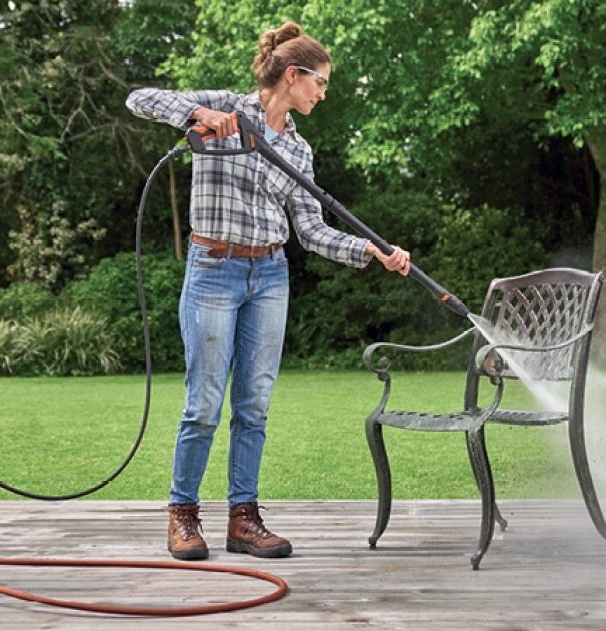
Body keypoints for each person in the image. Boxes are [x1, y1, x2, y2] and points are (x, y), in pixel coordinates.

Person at [126, 21, 411, 561]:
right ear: (293, 74)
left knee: (253, 404)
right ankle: (183, 515)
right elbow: (138, 98)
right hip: (213, 269)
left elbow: (312, 231)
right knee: (204, 403)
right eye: (320, 83)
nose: (323, 94)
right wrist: (197, 114)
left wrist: (369, 250)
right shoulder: (226, 107)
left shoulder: (299, 152)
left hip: (270, 276)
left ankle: (243, 519)